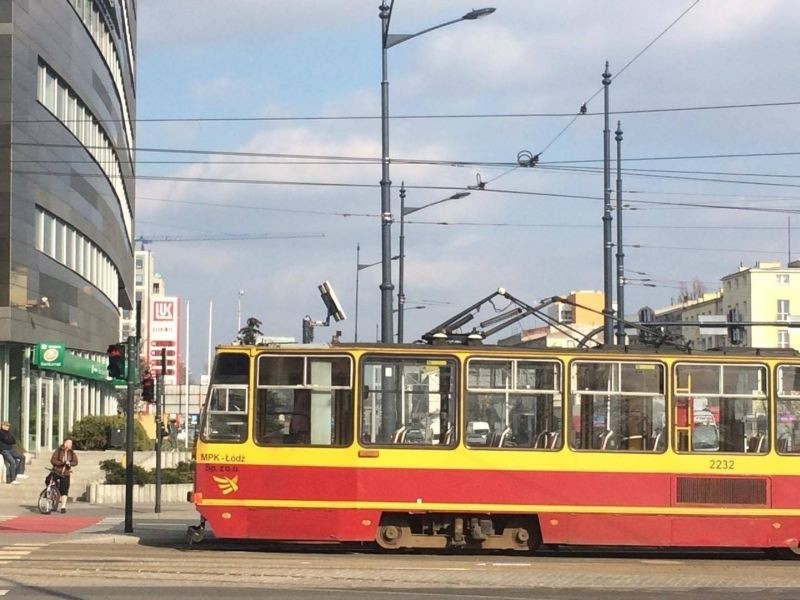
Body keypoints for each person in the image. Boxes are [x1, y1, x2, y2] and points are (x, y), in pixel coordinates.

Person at [50, 437, 78, 513]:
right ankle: (52, 498)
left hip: (66, 472)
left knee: (64, 489)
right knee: (50, 482)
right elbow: (53, 460)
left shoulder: (71, 453)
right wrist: (62, 463)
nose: (71, 445)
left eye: (71, 443)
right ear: (65, 443)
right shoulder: (58, 451)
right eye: (69, 443)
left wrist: (70, 463)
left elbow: (75, 462)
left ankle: (63, 506)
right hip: (57, 471)